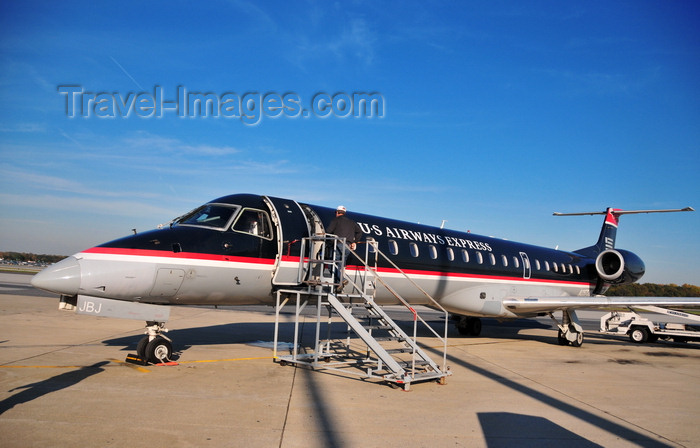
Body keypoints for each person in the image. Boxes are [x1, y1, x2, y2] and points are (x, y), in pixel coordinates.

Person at [326, 205, 363, 291]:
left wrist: (328, 241)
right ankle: (339, 283)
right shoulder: (351, 222)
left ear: (337, 212)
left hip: (339, 244)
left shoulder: (336, 220)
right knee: (340, 265)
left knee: (332, 265)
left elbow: (328, 231)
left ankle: (341, 280)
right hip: (348, 246)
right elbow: (359, 232)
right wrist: (355, 242)